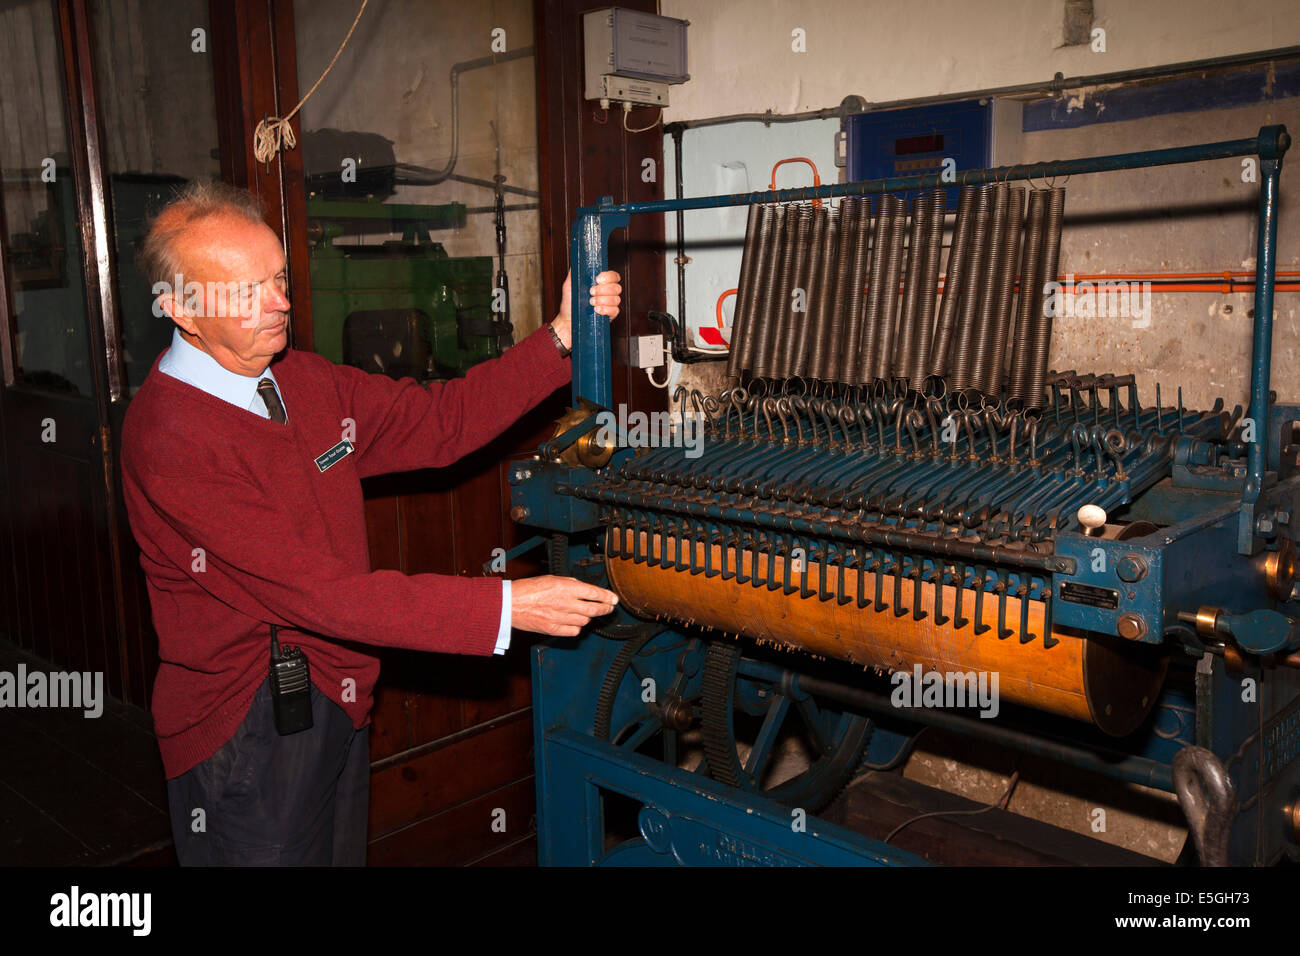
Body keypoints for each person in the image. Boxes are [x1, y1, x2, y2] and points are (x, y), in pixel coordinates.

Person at [120, 181, 622, 865]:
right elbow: (319, 593)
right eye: (245, 292)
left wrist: (559, 337)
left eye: (279, 278)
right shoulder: (170, 436)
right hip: (242, 728)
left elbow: (442, 423)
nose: (280, 305)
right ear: (179, 309)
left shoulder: (302, 380)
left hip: (335, 690)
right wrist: (504, 605)